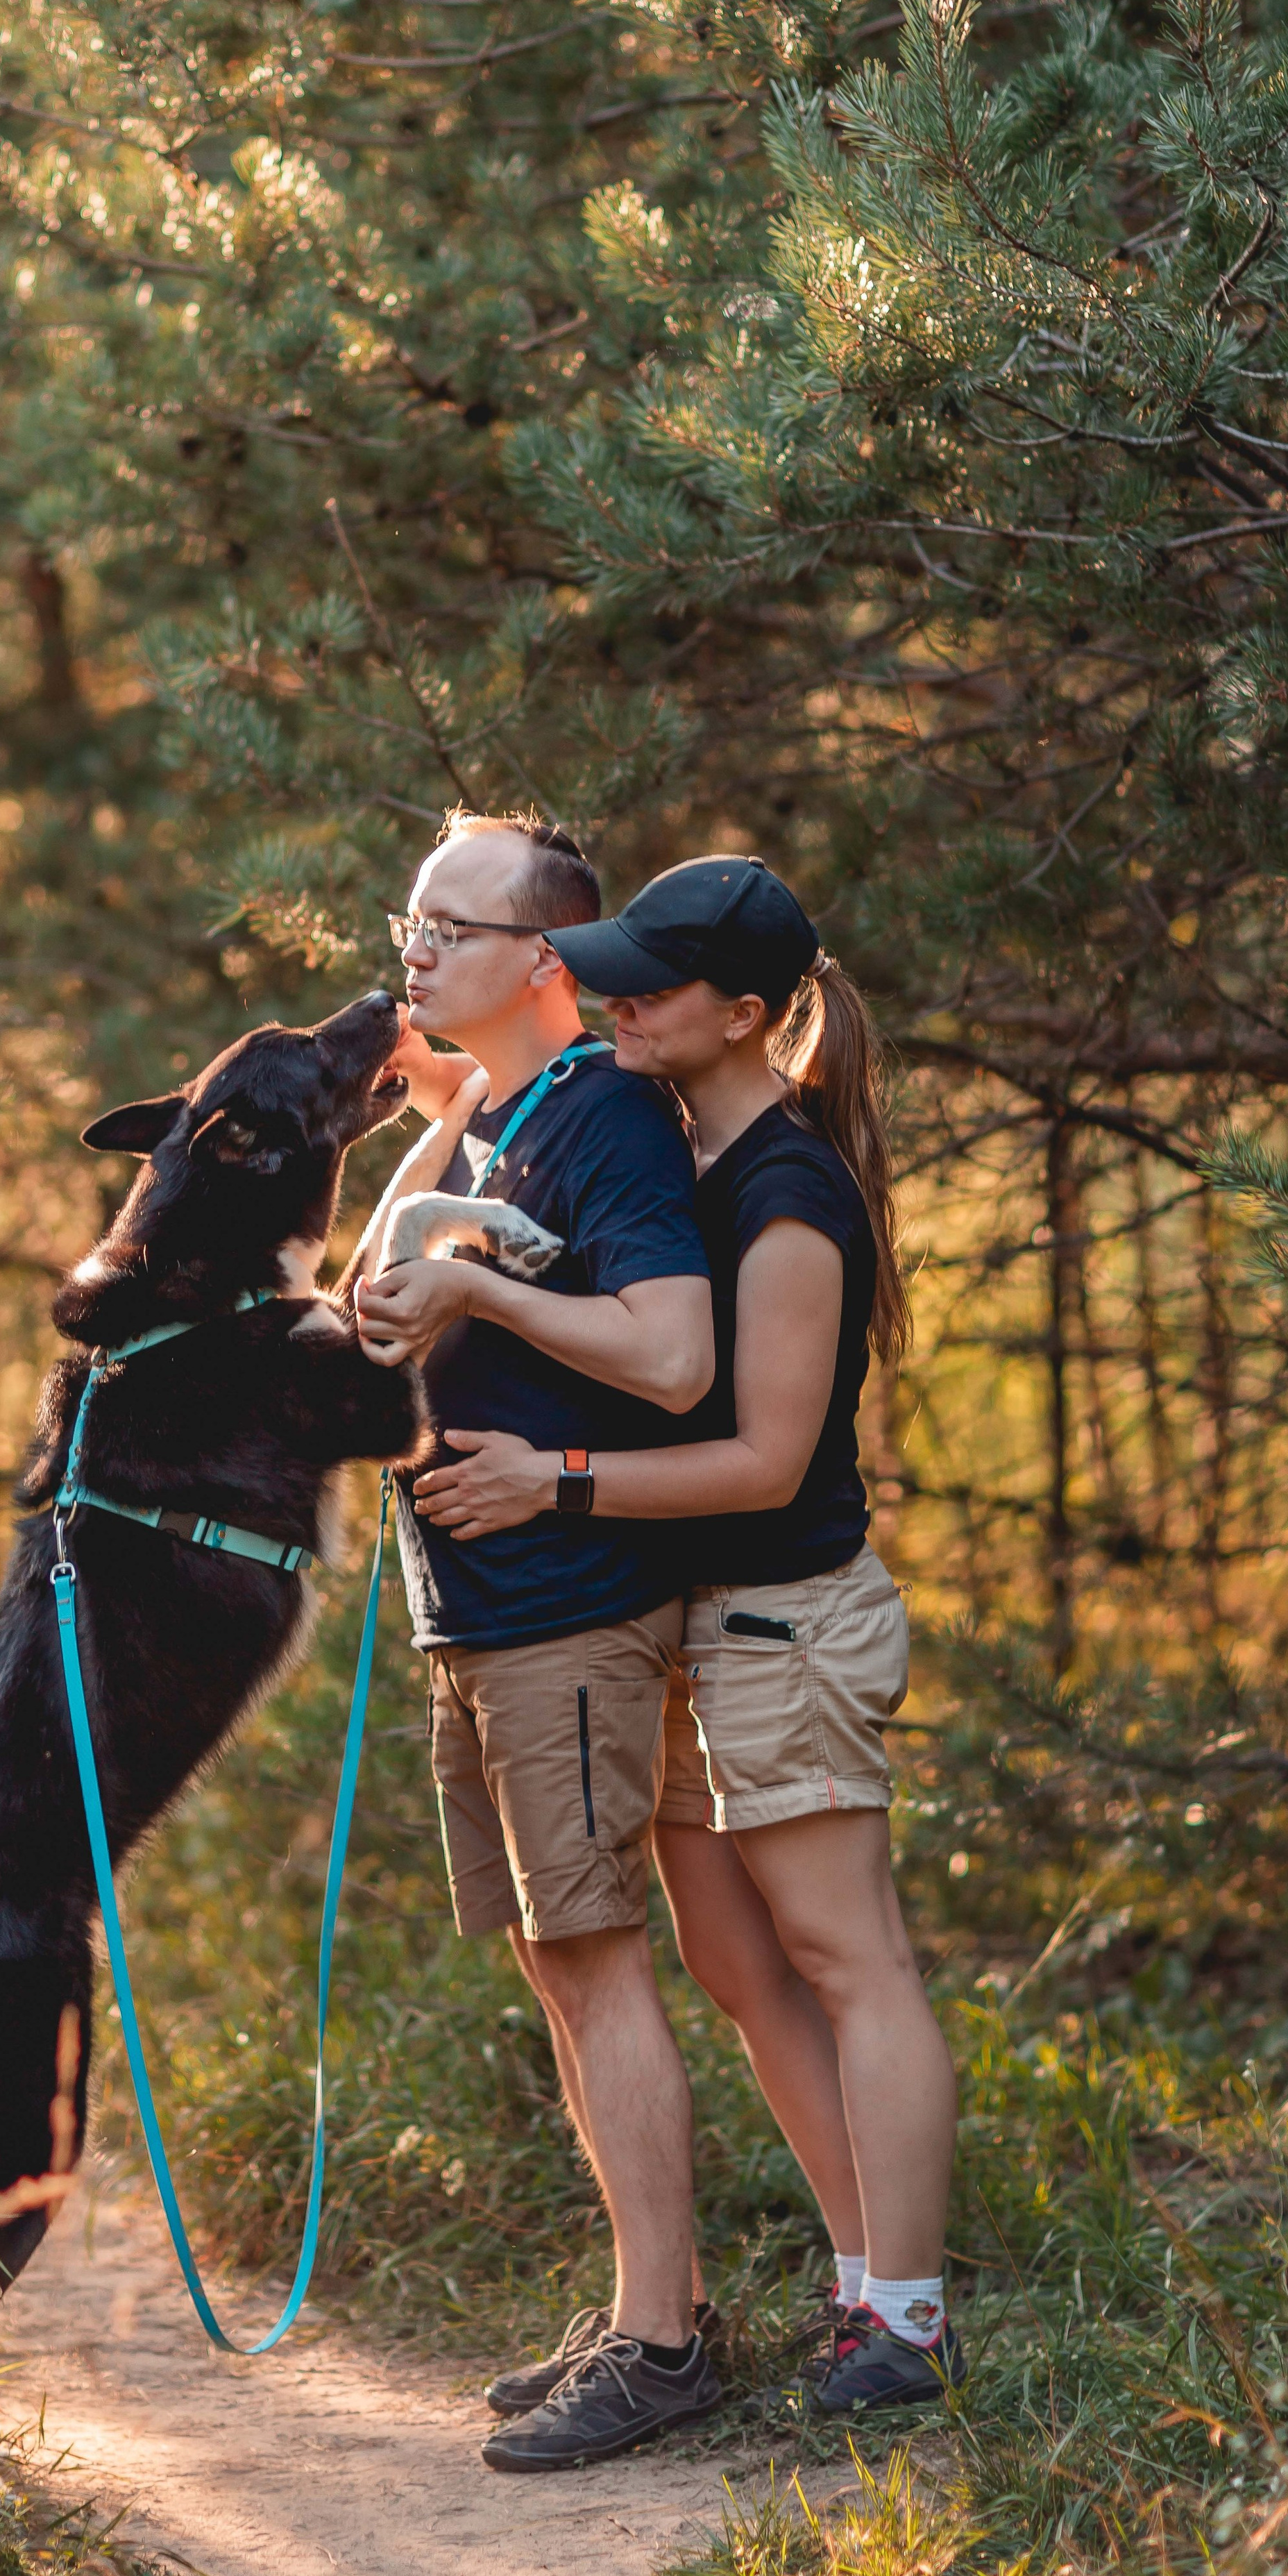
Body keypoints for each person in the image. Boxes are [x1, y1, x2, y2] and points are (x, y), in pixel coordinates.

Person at [408, 856, 963, 2418]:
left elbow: (763, 1465)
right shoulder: (689, 1152)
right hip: (702, 1619)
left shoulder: (785, 1199)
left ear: (740, 1014)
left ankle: (908, 2318)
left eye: (649, 981)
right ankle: (860, 2282)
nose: (616, 994)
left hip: (787, 1616)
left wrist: (554, 1479)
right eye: (611, 969)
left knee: (848, 1955)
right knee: (734, 1959)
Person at [354, 809, 723, 2473]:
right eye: (406, 922)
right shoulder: (495, 1117)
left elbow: (668, 1357)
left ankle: (662, 2346)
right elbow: (365, 1298)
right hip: (476, 1620)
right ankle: (648, 2302)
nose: (413, 950)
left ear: (542, 961)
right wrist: (435, 1144)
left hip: (567, 1618)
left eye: (448, 925)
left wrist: (485, 1296)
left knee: (594, 1956)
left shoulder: (609, 1125)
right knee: (553, 1965)